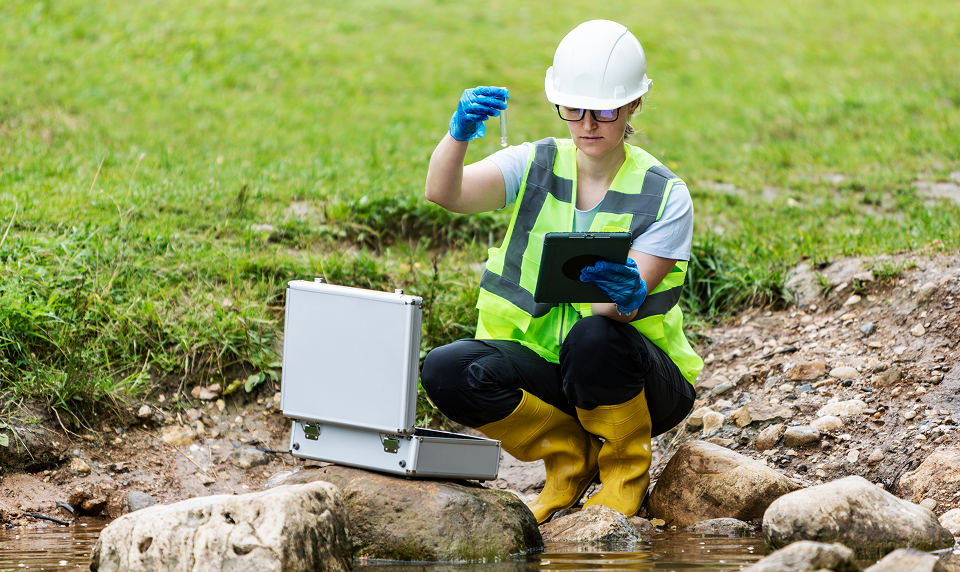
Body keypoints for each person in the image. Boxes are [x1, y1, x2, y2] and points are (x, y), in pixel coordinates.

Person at [420, 19, 703, 524]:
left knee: (594, 337)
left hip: (638, 379)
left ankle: (622, 473)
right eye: (574, 108)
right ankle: (570, 458)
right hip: (551, 373)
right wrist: (456, 135)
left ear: (634, 104)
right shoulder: (535, 163)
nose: (588, 123)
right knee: (445, 370)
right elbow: (446, 193)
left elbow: (604, 313)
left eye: (605, 110)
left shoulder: (666, 196)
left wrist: (628, 292)